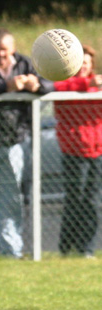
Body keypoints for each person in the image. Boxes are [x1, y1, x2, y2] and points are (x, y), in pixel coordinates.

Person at [0, 28, 54, 259]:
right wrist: (6, 87)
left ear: (13, 49)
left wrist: (35, 86)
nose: (0, 55)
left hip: (15, 142)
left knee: (12, 198)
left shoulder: (26, 64)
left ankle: (11, 249)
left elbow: (50, 84)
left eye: (4, 51)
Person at [53, 45, 102, 258]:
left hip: (97, 151)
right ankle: (66, 246)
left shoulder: (97, 87)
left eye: (87, 63)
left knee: (93, 200)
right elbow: (54, 87)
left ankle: (87, 248)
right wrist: (85, 84)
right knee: (75, 198)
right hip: (73, 150)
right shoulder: (67, 84)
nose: (83, 67)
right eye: (79, 63)